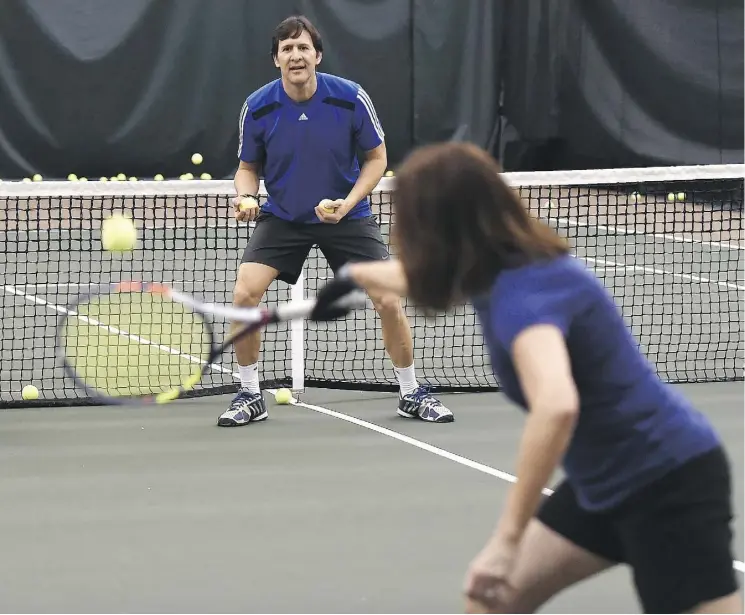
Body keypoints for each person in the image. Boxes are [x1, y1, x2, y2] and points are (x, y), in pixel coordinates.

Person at [310, 142, 741, 614]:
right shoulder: (500, 261)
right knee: (491, 602)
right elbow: (425, 276)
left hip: (666, 481)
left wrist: (506, 539)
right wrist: (352, 275)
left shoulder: (523, 297)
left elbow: (557, 406)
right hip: (604, 482)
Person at [220, 15, 453, 427]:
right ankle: (249, 393)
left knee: (387, 298)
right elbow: (247, 167)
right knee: (244, 295)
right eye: (287, 49)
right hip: (284, 216)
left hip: (347, 216)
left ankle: (411, 391)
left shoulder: (350, 98)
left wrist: (347, 203)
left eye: (303, 47)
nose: (296, 55)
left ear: (317, 55)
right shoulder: (258, 106)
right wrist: (246, 195)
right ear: (276, 60)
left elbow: (377, 158)